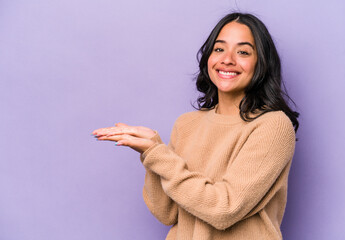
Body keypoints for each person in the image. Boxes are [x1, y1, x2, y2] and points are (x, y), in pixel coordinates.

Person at [92, 12, 299, 240]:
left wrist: (157, 153)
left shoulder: (273, 125)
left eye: (243, 52)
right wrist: (149, 154)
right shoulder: (187, 124)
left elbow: (225, 209)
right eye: (219, 49)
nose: (227, 59)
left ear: (261, 63)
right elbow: (167, 213)